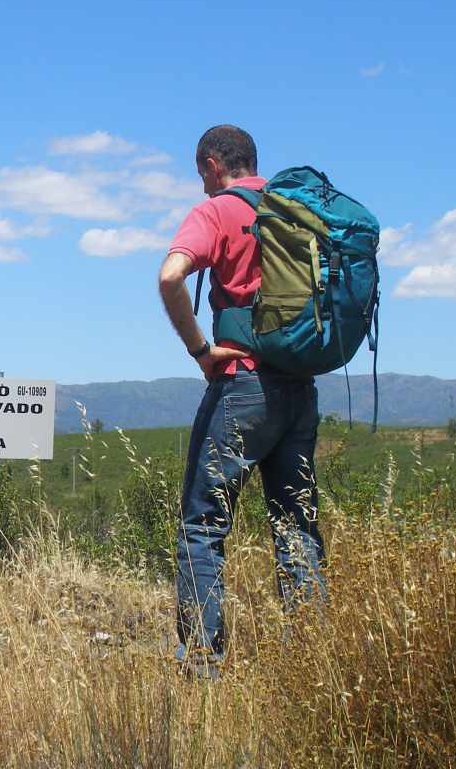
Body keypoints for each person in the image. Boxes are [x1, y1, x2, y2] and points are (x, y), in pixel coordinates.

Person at [157, 124, 326, 678]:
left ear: (211, 163)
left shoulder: (219, 211)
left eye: (200, 172)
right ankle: (314, 663)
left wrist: (200, 350)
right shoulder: (292, 210)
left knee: (203, 525)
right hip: (299, 389)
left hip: (243, 385)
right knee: (295, 523)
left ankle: (204, 662)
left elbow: (170, 276)